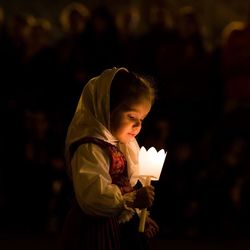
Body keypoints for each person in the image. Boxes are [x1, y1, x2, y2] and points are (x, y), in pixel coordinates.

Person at [58, 67, 159, 250]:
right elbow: (94, 197)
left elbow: (123, 188)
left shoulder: (120, 145)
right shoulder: (90, 148)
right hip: (95, 231)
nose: (137, 125)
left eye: (142, 119)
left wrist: (138, 215)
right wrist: (133, 199)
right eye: (131, 116)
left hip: (119, 227)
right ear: (106, 108)